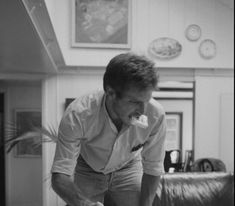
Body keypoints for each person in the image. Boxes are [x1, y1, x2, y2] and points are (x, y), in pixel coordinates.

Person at [51, 53, 167, 206]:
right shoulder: (78, 115)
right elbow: (60, 176)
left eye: (146, 100)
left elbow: (153, 168)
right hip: (88, 167)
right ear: (110, 93)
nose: (142, 110)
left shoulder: (156, 115)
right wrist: (85, 204)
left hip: (129, 167)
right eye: (134, 101)